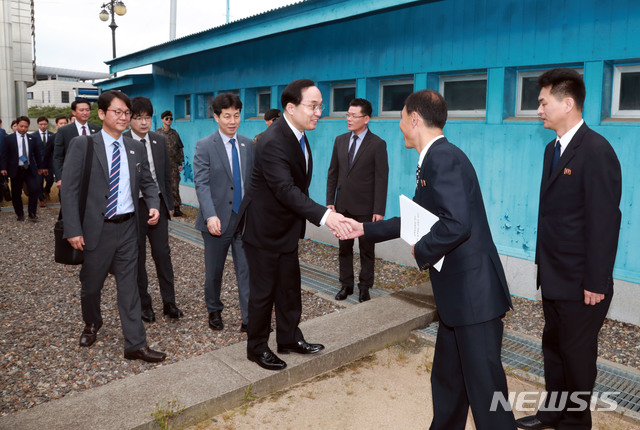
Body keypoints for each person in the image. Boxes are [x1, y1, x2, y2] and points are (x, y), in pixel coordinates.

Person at [342, 89, 516, 429]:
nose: (400, 127)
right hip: (457, 299)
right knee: (449, 384)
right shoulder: (434, 159)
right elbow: (418, 218)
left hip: (474, 298)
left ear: (415, 119)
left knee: (487, 398)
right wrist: (362, 228)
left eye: (401, 120)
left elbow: (457, 224)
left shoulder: (443, 158)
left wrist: (422, 249)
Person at [515, 69, 622, 430]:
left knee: (577, 358)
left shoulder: (595, 150)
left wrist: (596, 281)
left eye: (543, 103)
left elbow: (605, 221)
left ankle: (576, 424)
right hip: (555, 276)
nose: (539, 110)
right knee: (554, 350)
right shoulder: (553, 149)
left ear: (568, 103)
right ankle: (552, 413)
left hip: (581, 283)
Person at [239, 79, 351, 371]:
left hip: (286, 228)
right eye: (313, 106)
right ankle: (257, 347)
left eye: (320, 106)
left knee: (289, 288)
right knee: (263, 293)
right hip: (263, 229)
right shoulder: (272, 140)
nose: (319, 112)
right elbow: (285, 189)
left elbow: (296, 188)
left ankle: (288, 338)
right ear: (291, 107)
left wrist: (318, 212)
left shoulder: (299, 134)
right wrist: (326, 217)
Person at [61, 90, 166, 363]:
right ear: (102, 114)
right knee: (91, 285)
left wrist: (153, 203)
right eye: (117, 112)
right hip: (97, 229)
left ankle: (135, 344)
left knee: (129, 286)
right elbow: (69, 191)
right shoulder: (84, 145)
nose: (123, 117)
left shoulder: (136, 147)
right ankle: (92, 322)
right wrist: (73, 229)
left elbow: (148, 183)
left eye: (126, 113)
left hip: (129, 228)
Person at [193, 93, 252, 332]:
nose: (232, 121)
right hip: (216, 221)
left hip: (244, 220)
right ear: (216, 117)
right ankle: (214, 310)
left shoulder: (248, 145)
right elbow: (202, 184)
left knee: (247, 270)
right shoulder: (205, 145)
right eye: (226, 116)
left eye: (236, 115)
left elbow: (252, 182)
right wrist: (210, 215)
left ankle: (249, 318)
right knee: (214, 271)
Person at [124, 97, 184, 323]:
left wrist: (168, 205)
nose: (143, 122)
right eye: (138, 118)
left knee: (162, 254)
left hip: (157, 203)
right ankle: (144, 303)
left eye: (147, 117)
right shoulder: (122, 141)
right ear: (129, 119)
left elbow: (166, 176)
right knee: (137, 257)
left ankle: (170, 302)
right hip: (133, 207)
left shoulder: (159, 141)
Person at [326, 98, 389, 303]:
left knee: (366, 250)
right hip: (342, 205)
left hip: (366, 208)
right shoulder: (340, 140)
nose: (349, 119)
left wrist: (379, 208)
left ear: (366, 118)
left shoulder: (378, 144)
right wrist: (330, 202)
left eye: (354, 116)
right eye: (347, 114)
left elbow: (381, 178)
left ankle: (365, 287)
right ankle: (346, 285)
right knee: (344, 249)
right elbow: (333, 173)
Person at [0, 116, 45, 222]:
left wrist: (41, 167)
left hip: (30, 169)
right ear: (17, 126)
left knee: (34, 190)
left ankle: (32, 213)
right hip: (16, 169)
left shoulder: (32, 139)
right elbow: (4, 154)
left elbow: (38, 154)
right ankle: (20, 213)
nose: (23, 128)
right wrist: (3, 168)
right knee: (16, 193)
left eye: (26, 126)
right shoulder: (8, 139)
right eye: (21, 126)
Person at [53, 99, 101, 190]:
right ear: (74, 112)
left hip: (94, 174)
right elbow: (58, 156)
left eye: (87, 110)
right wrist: (59, 178)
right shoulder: (64, 131)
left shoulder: (97, 129)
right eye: (81, 110)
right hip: (72, 174)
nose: (85, 113)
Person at [156, 110, 185, 216]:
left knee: (174, 185)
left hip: (173, 164)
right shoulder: (157, 133)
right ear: (162, 120)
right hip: (161, 164)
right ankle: (162, 206)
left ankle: (176, 207)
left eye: (171, 119)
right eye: (167, 118)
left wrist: (180, 163)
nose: (169, 121)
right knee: (161, 185)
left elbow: (179, 148)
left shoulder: (174, 134)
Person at [31, 116, 56, 206]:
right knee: (38, 182)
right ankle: (41, 199)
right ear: (38, 124)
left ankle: (46, 191)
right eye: (41, 124)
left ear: (47, 124)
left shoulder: (52, 135)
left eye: (45, 124)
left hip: (49, 163)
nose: (43, 126)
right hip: (37, 164)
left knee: (50, 180)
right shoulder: (33, 136)